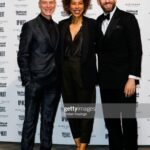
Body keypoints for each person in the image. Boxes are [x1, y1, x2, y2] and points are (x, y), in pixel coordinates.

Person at [96, 0, 142, 150]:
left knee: (128, 121)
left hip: (125, 82)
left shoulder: (128, 18)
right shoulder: (98, 21)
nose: (107, 0)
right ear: (98, 1)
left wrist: (132, 78)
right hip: (106, 82)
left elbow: (136, 50)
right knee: (111, 122)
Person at [17, 0, 60, 149]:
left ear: (55, 4)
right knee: (30, 122)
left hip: (53, 84)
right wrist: (28, 81)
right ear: (39, 4)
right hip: (35, 83)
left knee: (48, 122)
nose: (48, 6)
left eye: (51, 2)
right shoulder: (30, 26)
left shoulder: (57, 27)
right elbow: (23, 55)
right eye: (45, 2)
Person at [59, 0, 97, 149]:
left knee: (86, 112)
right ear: (68, 5)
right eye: (73, 3)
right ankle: (77, 142)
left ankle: (82, 146)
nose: (76, 7)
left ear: (85, 5)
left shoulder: (92, 25)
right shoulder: (61, 25)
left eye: (80, 3)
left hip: (85, 75)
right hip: (65, 76)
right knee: (72, 110)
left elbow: (104, 49)